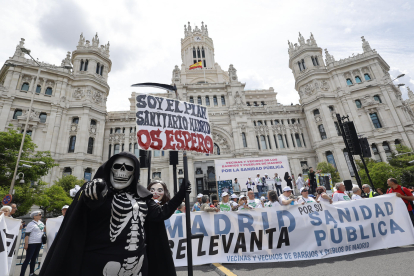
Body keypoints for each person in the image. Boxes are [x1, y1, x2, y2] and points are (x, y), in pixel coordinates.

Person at [40, 152, 189, 276]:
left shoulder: (142, 196)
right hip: (99, 265)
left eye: (128, 168)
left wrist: (181, 193)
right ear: (109, 169)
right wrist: (93, 189)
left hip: (139, 265)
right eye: (117, 167)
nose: (122, 171)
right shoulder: (99, 192)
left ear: (134, 172)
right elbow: (85, 211)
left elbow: (161, 214)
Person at [21, 210, 45, 276]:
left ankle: (31, 273)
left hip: (39, 243)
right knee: (28, 259)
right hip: (32, 243)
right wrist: (26, 244)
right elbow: (27, 234)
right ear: (35, 216)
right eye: (39, 214)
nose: (41, 215)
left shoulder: (41, 223)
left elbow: (44, 230)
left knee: (34, 259)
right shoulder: (31, 224)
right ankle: (22, 274)